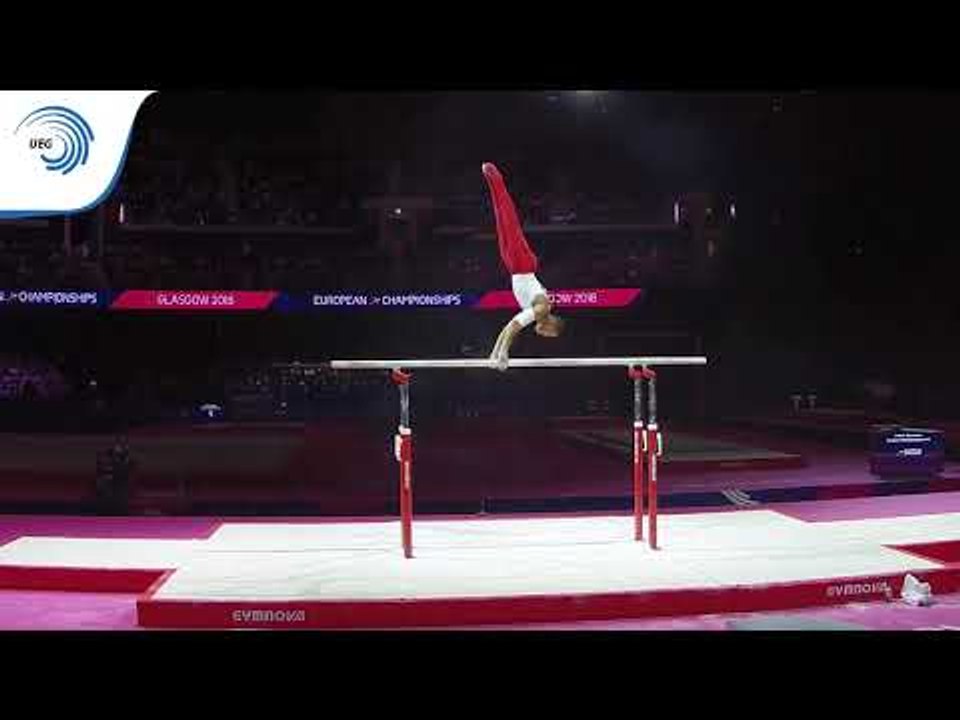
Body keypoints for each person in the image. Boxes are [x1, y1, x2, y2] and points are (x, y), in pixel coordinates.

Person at [481, 162, 564, 370]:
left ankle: (492, 181)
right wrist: (504, 353)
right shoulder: (542, 309)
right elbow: (514, 327)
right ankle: (496, 177)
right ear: (552, 325)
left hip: (514, 267)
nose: (544, 336)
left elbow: (509, 326)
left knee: (500, 219)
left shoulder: (539, 311)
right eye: (549, 335)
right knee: (509, 218)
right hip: (524, 264)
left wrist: (495, 353)